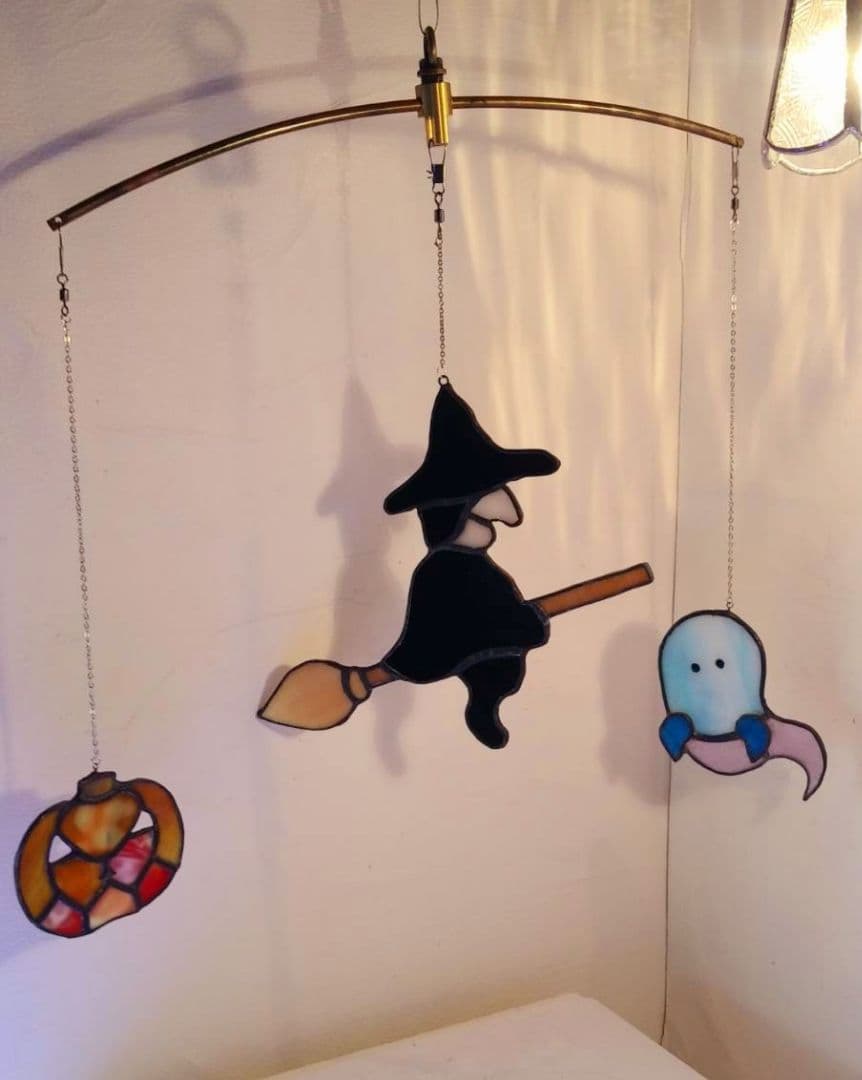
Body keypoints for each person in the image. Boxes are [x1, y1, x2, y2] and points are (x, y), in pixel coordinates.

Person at [381, 380, 560, 748]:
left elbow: (494, 606)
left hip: (485, 646)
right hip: (454, 643)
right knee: (496, 652)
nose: (502, 510)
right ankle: (483, 701)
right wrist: (521, 621)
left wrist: (519, 621)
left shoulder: (475, 567)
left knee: (501, 668)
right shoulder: (440, 571)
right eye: (487, 497)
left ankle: (485, 702)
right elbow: (469, 618)